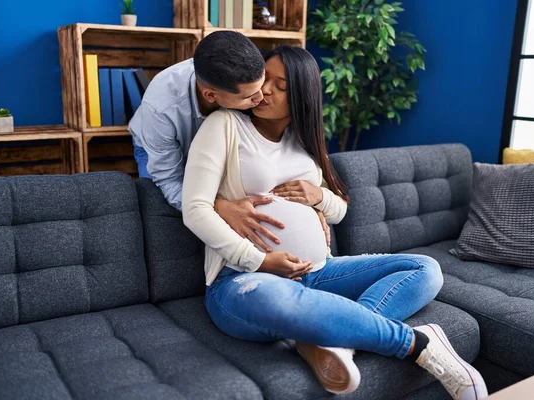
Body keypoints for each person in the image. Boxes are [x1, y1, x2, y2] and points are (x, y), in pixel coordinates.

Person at [181, 45, 488, 399]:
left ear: (300, 96)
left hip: (320, 271)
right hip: (244, 278)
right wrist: (260, 261)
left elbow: (339, 210)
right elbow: (196, 208)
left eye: (280, 86)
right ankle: (419, 344)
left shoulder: (305, 142)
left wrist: (318, 197)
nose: (265, 90)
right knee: (276, 301)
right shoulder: (224, 125)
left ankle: (338, 342)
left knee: (425, 269)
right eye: (266, 78)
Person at [129, 31, 331, 253]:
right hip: (159, 146)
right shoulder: (161, 109)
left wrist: (307, 208)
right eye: (250, 97)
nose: (261, 96)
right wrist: (220, 207)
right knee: (162, 208)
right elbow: (170, 180)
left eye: (262, 84)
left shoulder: (240, 68)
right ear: (211, 96)